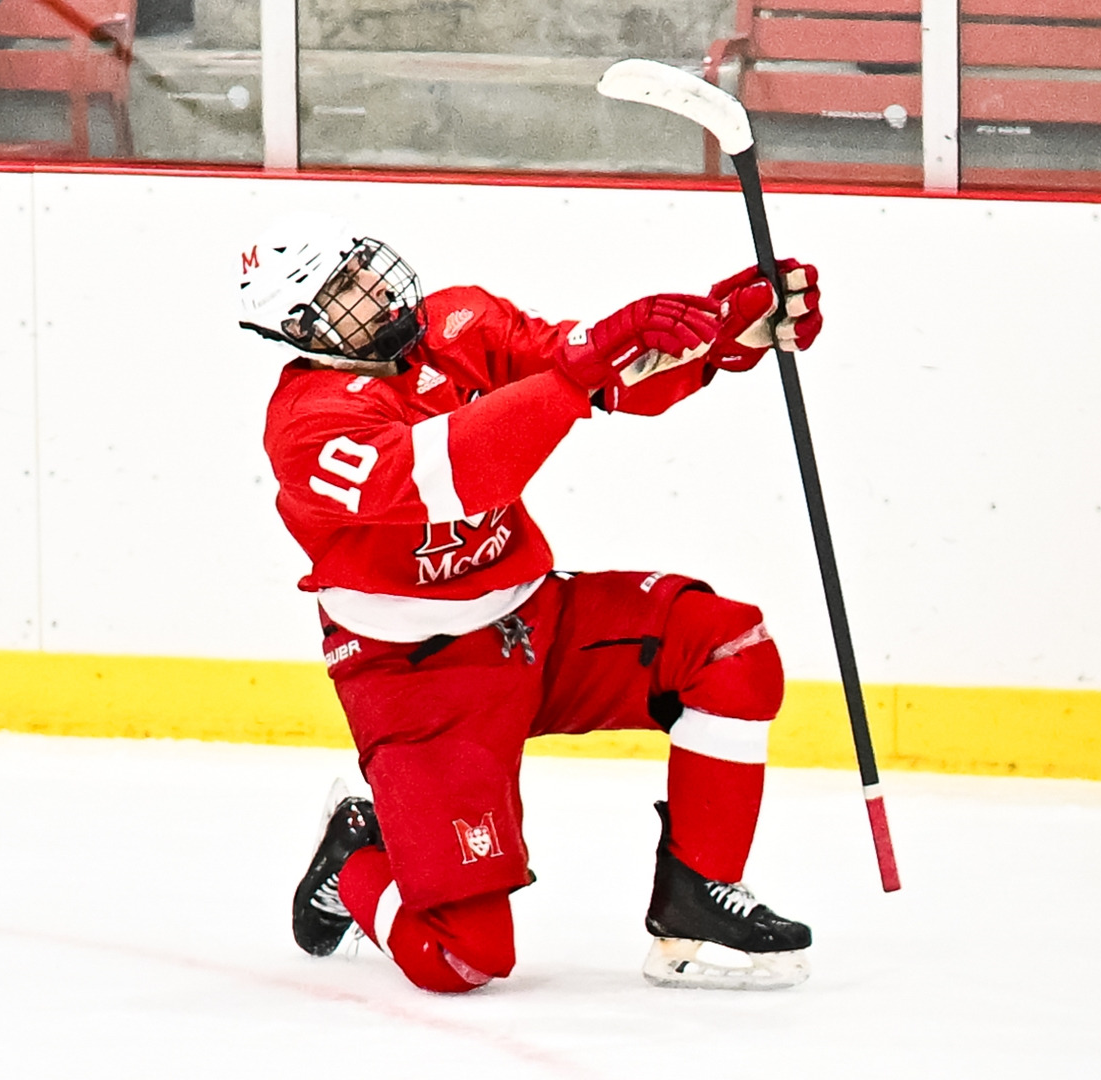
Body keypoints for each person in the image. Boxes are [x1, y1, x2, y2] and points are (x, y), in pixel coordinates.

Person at [237, 213, 823, 992]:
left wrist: (723, 333)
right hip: (419, 680)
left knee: (725, 646)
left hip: (530, 622)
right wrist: (577, 373)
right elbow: (455, 474)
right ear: (303, 326)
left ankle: (696, 902)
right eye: (347, 286)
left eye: (364, 266)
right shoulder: (312, 425)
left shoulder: (456, 323)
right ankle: (353, 858)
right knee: (464, 958)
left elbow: (594, 366)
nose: (376, 285)